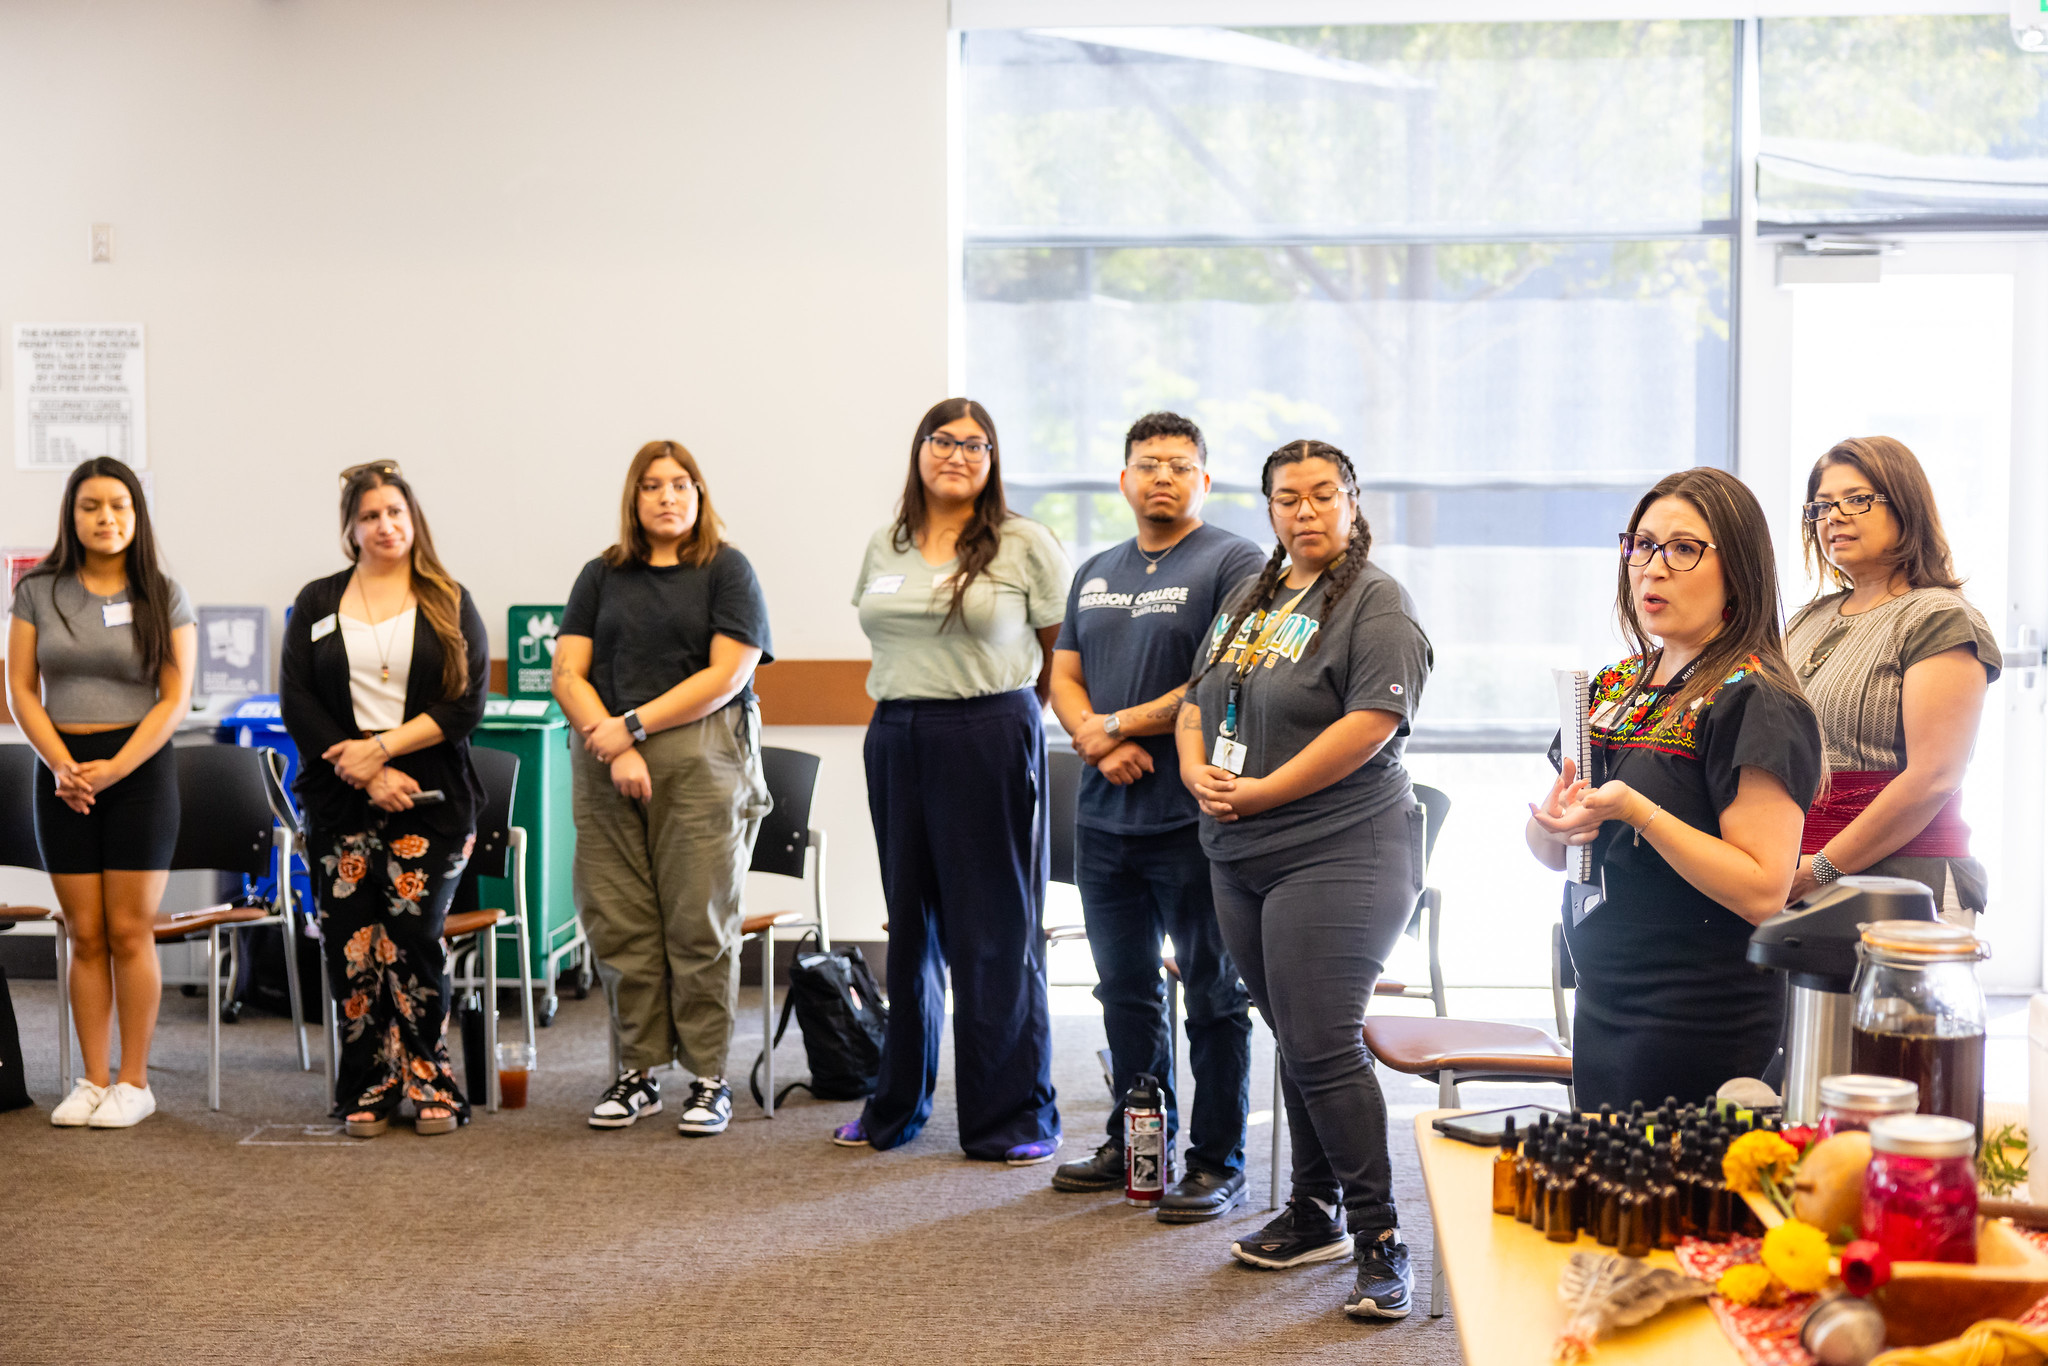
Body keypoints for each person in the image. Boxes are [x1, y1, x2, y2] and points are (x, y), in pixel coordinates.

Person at [1176, 440, 1433, 1320]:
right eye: (1288, 498)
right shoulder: (1251, 598)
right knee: (1292, 1031)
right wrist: (1196, 771)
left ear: (1353, 503)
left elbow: (1372, 722)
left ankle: (1382, 1240)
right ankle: (1315, 1212)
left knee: (1322, 1039)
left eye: (1326, 495)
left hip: (1344, 846)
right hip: (1242, 852)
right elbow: (1192, 704)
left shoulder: (1374, 600)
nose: (1307, 511)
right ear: (1270, 509)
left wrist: (1259, 791)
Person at [1526, 467, 1823, 1114]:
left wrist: (1639, 812)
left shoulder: (1755, 700)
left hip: (1696, 1012)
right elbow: (1556, 845)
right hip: (1605, 993)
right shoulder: (1613, 685)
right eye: (1641, 544)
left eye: (1683, 549)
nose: (1651, 568)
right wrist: (1549, 826)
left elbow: (1762, 890)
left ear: (1738, 572)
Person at [834, 397, 1069, 1163]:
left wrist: (1009, 720)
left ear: (993, 460)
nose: (958, 454)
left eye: (976, 444)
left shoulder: (1024, 543)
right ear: (920, 450)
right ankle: (895, 1107)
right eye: (944, 440)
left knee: (993, 932)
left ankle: (1012, 1118)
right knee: (909, 930)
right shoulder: (887, 542)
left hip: (989, 731)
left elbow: (1060, 655)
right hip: (897, 734)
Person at [1044, 412, 1264, 1219]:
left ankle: (1217, 1159)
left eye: (1179, 464)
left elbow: (1223, 674)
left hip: (1192, 821)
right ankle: (1136, 1142)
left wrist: (1122, 724)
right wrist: (1097, 744)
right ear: (1124, 480)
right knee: (1125, 991)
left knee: (1211, 992)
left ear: (1204, 480)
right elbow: (1063, 675)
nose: (1162, 476)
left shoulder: (1233, 560)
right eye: (1147, 463)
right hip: (1105, 822)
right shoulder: (1096, 570)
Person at [553, 440, 772, 1137]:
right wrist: (610, 739)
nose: (667, 497)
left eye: (681, 484)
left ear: (700, 495)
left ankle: (709, 1078)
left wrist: (634, 728)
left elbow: (727, 675)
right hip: (604, 755)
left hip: (699, 757)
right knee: (620, 922)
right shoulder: (603, 574)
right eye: (652, 486)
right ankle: (638, 1073)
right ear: (633, 498)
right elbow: (568, 673)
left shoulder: (726, 570)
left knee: (698, 923)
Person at [281, 462, 489, 1137]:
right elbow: (297, 702)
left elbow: (466, 703)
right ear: (350, 528)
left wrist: (386, 749)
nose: (385, 525)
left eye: (395, 512)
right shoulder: (317, 602)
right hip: (341, 798)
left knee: (411, 939)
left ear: (414, 518)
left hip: (428, 798)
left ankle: (430, 1077)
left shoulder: (448, 598)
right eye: (369, 515)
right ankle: (368, 1082)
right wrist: (364, 770)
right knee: (352, 945)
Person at [6, 457, 195, 1129]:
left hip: (138, 772)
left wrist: (115, 767)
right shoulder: (38, 591)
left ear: (136, 515)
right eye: (91, 506)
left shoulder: (163, 594)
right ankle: (91, 1079)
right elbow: (21, 690)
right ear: (72, 514)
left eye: (118, 505)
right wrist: (61, 764)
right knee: (84, 933)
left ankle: (134, 1082)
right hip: (61, 774)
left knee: (127, 929)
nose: (105, 517)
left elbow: (175, 698)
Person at [1783, 437, 2002, 924]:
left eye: (1856, 499)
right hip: (1793, 875)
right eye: (1820, 506)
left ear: (1905, 505)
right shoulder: (1805, 621)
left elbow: (1933, 779)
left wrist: (1819, 869)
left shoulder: (1938, 617)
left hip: (1905, 882)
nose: (1832, 516)